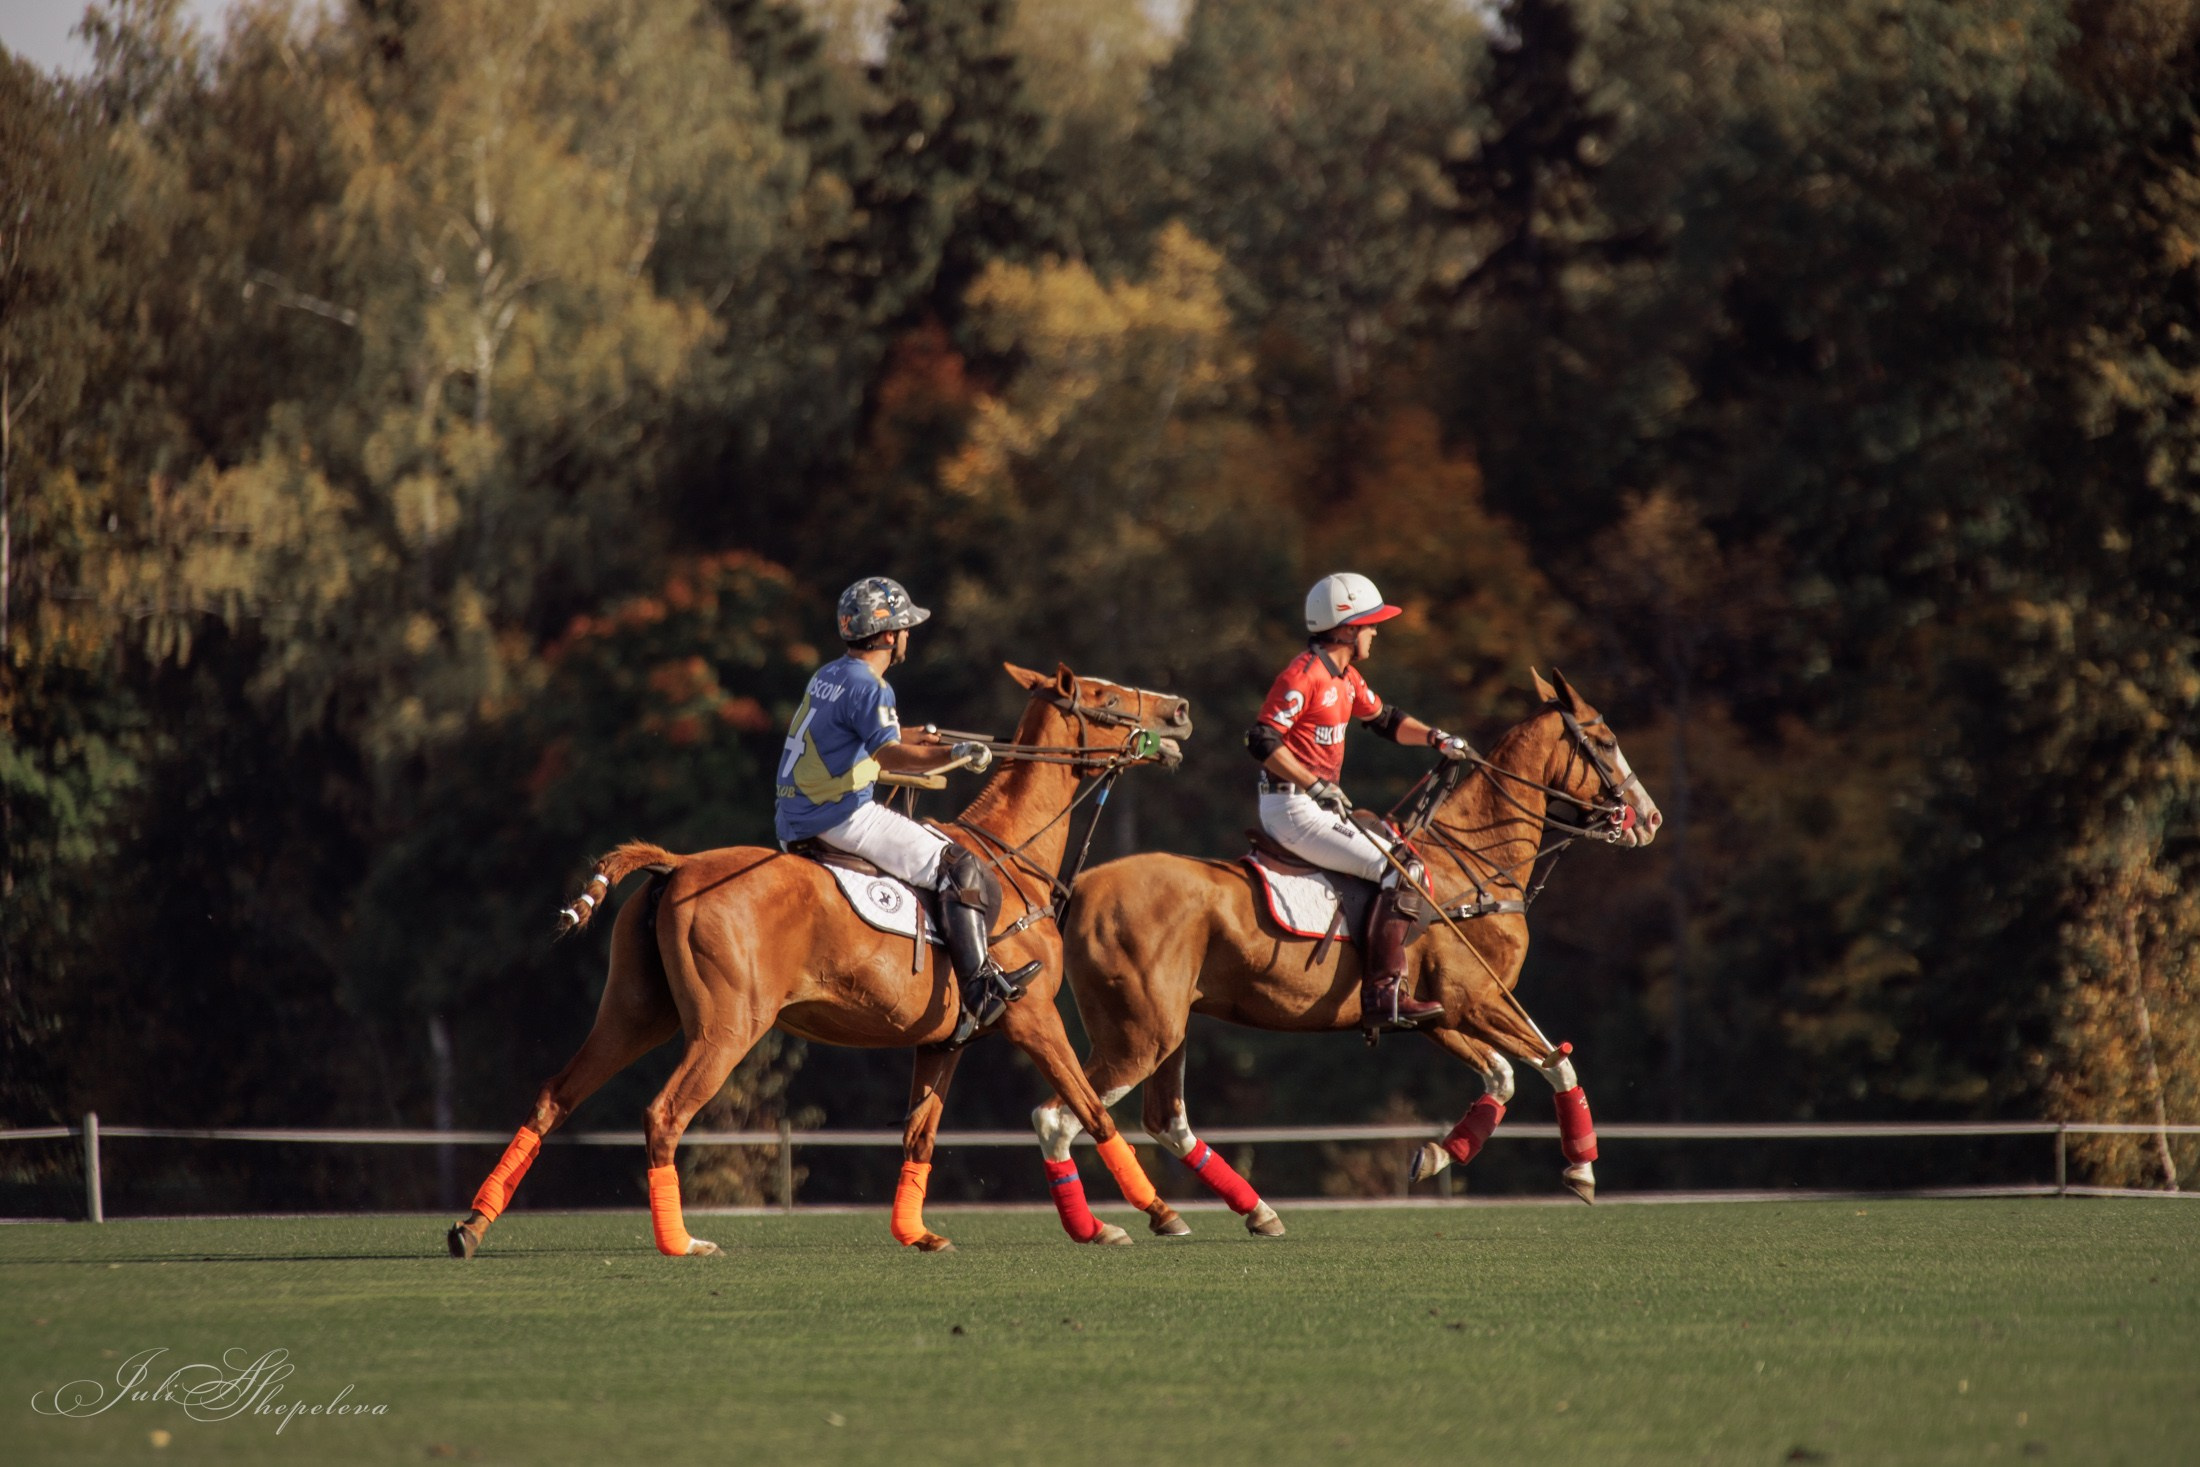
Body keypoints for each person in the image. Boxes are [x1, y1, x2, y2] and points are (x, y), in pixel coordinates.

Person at [776, 576, 1036, 1050]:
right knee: (961, 866)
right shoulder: (873, 688)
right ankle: (978, 987)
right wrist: (954, 755)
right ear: (891, 634)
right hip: (839, 817)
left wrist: (924, 736)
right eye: (907, 627)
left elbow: (874, 736)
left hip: (795, 815)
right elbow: (890, 756)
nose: (909, 636)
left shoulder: (831, 675)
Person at [1245, 572, 1472, 1031]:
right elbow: (1261, 738)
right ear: (1347, 628)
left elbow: (1385, 719)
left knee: (1400, 853)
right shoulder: (1303, 674)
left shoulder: (1346, 678)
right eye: (1370, 625)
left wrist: (1435, 738)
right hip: (1291, 807)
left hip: (1315, 805)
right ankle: (1384, 993)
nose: (1375, 633)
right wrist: (1311, 782)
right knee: (1400, 869)